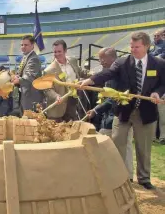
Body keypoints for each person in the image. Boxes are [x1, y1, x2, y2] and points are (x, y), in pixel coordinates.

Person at [80, 32, 165, 190]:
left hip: (146, 113)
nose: (133, 50)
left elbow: (163, 83)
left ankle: (144, 178)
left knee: (143, 147)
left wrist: (157, 93)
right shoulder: (122, 62)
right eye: (131, 46)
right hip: (123, 111)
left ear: (146, 46)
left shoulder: (159, 63)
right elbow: (107, 73)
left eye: (137, 47)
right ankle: (120, 177)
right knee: (118, 143)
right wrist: (91, 80)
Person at [85, 47, 134, 181]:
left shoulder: (117, 72)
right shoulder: (112, 71)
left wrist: (96, 110)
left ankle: (122, 175)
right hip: (115, 115)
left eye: (102, 58)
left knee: (114, 144)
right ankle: (123, 175)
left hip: (118, 115)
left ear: (111, 57)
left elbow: (112, 98)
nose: (100, 62)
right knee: (122, 145)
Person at [43, 39, 89, 122]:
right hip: (58, 106)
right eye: (55, 52)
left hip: (72, 101)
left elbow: (80, 72)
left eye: (59, 51)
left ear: (65, 50)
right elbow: (47, 89)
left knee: (71, 128)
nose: (57, 54)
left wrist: (93, 76)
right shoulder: (48, 70)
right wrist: (56, 96)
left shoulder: (73, 61)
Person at [12, 35, 43, 112]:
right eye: (22, 45)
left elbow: (29, 76)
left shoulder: (34, 59)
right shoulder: (26, 57)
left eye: (26, 45)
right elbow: (22, 73)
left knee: (30, 121)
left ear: (32, 46)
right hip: (24, 95)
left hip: (31, 97)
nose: (23, 47)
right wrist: (16, 76)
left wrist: (17, 80)